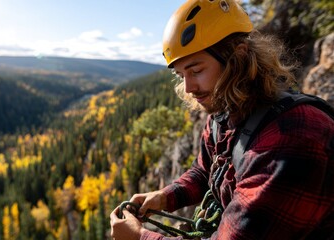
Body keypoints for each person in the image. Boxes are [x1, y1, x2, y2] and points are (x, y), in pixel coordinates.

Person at [109, 0, 334, 239]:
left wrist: (139, 237)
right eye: (180, 75)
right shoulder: (226, 112)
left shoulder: (291, 137)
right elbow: (206, 170)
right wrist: (166, 196)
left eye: (196, 71)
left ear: (237, 56)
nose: (188, 87)